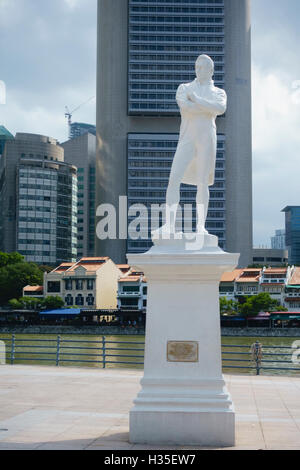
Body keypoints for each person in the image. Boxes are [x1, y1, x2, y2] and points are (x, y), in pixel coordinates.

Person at [154, 55, 227, 237]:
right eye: (196, 67)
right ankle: (169, 225)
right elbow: (186, 107)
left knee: (203, 183)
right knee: (173, 179)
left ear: (211, 70)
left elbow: (220, 108)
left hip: (206, 139)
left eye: (203, 67)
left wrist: (197, 100)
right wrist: (204, 107)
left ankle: (201, 227)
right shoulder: (184, 88)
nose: (198, 70)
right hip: (187, 138)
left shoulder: (219, 92)